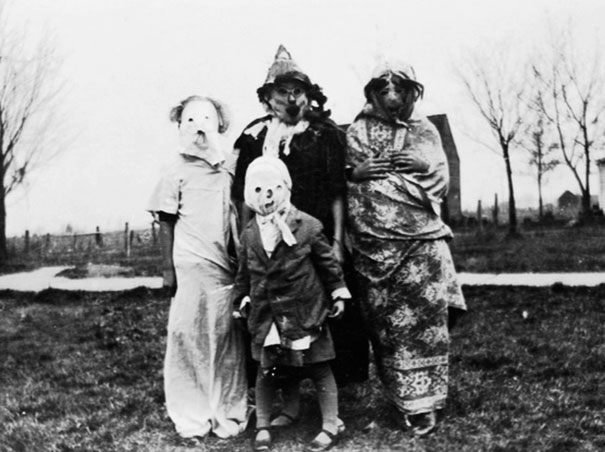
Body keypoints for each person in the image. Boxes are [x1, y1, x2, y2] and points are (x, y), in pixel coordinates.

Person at [232, 45, 368, 421]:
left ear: (309, 95)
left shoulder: (325, 134)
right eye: (282, 92)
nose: (291, 99)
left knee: (324, 316)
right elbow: (244, 196)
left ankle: (333, 401)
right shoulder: (253, 137)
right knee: (273, 313)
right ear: (266, 98)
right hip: (268, 242)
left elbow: (339, 192)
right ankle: (284, 399)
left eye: (298, 91)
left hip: (315, 237)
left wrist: (339, 241)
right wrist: (249, 240)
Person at [345, 61, 467, 436]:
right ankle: (402, 399)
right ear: (372, 94)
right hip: (374, 246)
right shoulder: (357, 130)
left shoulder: (425, 129)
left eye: (400, 90)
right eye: (384, 91)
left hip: (420, 243)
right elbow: (343, 177)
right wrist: (357, 174)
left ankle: (426, 404)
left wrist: (419, 163)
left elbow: (440, 179)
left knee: (425, 324)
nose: (393, 98)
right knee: (386, 327)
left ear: (413, 91)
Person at [148, 95, 248, 439]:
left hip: (222, 263)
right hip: (189, 263)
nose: (199, 129)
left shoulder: (228, 168)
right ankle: (192, 413)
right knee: (188, 334)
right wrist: (167, 270)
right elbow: (166, 220)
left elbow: (236, 211)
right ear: (180, 126)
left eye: (205, 120)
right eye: (190, 121)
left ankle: (227, 411)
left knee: (223, 335)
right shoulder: (174, 169)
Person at [234, 156, 350, 452]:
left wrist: (337, 292)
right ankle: (264, 424)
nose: (266, 198)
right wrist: (242, 297)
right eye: (257, 191)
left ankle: (330, 423)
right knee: (268, 369)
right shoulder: (249, 234)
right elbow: (244, 273)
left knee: (319, 366)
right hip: (268, 313)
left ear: (286, 188)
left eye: (272, 189)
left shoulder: (308, 226)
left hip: (305, 311)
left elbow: (327, 265)